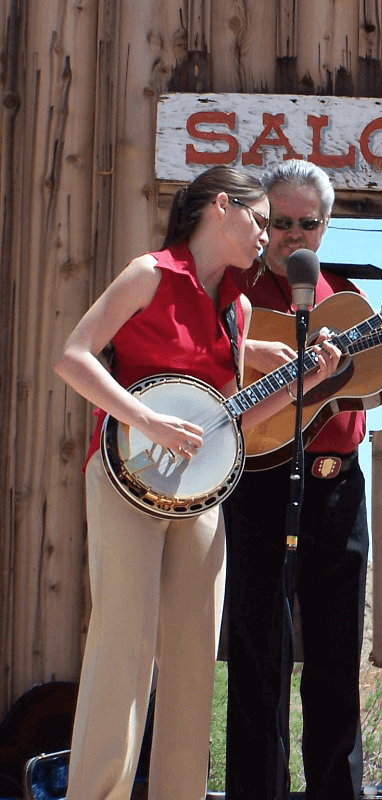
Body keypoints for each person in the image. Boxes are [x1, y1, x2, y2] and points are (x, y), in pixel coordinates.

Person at [54, 166, 340, 800]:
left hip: (200, 495)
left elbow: (229, 416)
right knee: (124, 644)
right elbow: (72, 357)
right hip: (125, 477)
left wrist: (310, 382)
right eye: (261, 219)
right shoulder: (149, 274)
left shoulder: (238, 308)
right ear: (221, 207)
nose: (267, 235)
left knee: (193, 661)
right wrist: (145, 418)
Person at [222, 159, 382, 800]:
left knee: (335, 659)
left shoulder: (344, 299)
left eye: (306, 223)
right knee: (259, 655)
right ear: (262, 222)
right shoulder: (237, 291)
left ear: (325, 226)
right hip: (259, 485)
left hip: (337, 489)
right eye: (280, 222)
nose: (292, 235)